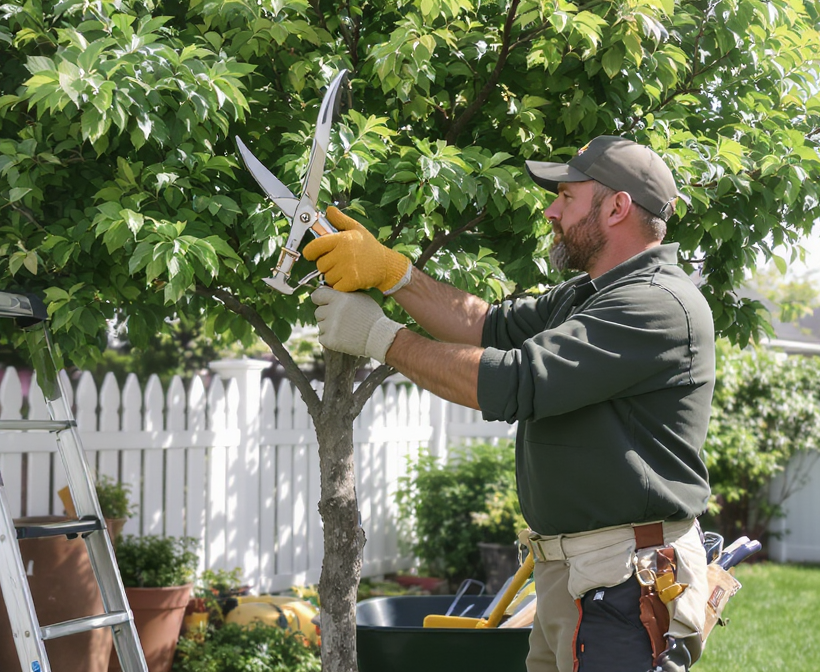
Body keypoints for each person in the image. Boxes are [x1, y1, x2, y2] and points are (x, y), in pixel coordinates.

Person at [304, 136, 715, 672]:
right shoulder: (586, 294)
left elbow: (517, 380)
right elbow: (486, 326)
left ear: (616, 207)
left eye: (567, 197)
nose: (550, 209)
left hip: (621, 580)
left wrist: (380, 338)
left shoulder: (656, 304)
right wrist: (394, 273)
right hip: (576, 578)